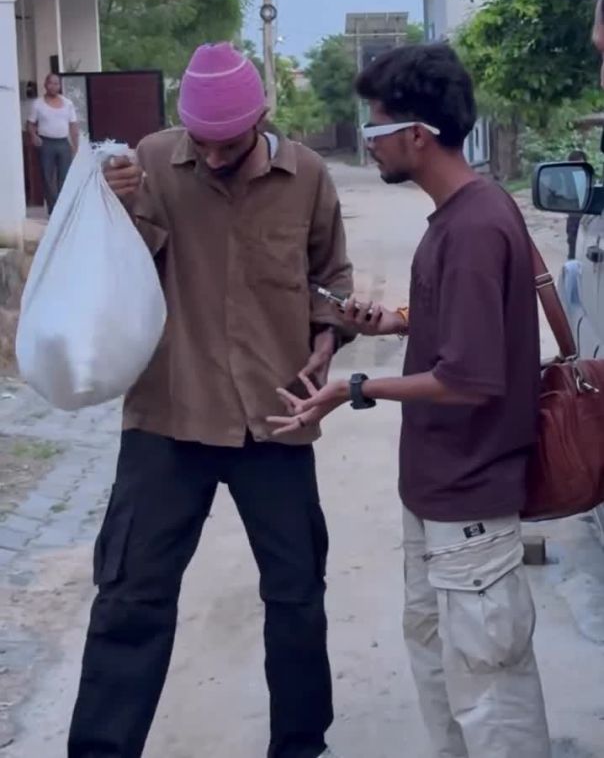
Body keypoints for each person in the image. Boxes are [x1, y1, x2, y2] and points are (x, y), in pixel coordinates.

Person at [68, 42, 353, 758]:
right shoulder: (149, 163)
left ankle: (300, 747)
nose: (215, 155)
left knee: (296, 595)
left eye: (229, 143)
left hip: (277, 416)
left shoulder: (307, 176)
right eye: (203, 142)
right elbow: (113, 268)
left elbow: (332, 276)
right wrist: (112, 202)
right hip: (170, 411)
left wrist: (328, 334)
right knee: (129, 596)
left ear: (262, 118)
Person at [271, 43, 551, 758]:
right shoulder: (457, 217)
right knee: (444, 675)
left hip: (470, 503)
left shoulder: (476, 226)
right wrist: (396, 323)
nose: (369, 142)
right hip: (436, 497)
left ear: (418, 135)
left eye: (376, 127)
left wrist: (353, 388)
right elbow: (461, 330)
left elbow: (470, 378)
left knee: (491, 698)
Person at [26, 73, 79, 215]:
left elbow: (73, 126)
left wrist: (75, 146)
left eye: (56, 83)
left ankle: (63, 208)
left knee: (64, 177)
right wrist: (33, 136)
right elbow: (30, 124)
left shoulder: (67, 103)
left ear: (60, 86)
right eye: (51, 83)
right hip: (46, 143)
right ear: (45, 85)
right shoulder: (38, 104)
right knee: (47, 177)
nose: (54, 86)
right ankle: (53, 208)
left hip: (63, 143)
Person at [566, 149, 587, 260]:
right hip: (574, 217)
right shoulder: (567, 178)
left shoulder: (588, 176)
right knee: (573, 246)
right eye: (575, 165)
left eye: (581, 164)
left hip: (586, 216)